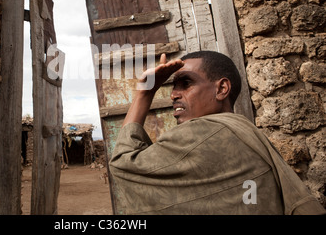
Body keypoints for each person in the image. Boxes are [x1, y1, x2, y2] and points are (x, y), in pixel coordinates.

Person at [109, 50, 325, 215]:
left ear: (222, 89)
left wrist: (144, 94)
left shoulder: (205, 130)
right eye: (173, 86)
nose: (174, 94)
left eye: (186, 83)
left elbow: (123, 163)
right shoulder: (243, 129)